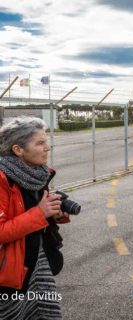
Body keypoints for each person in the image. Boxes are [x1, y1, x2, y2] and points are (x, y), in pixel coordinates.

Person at [0, 116, 69, 319]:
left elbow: (34, 215)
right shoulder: (3, 179)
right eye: (40, 143)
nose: (48, 147)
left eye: (46, 141)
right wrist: (40, 213)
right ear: (18, 150)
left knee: (47, 313)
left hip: (37, 262)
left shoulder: (36, 174)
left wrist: (55, 215)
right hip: (10, 271)